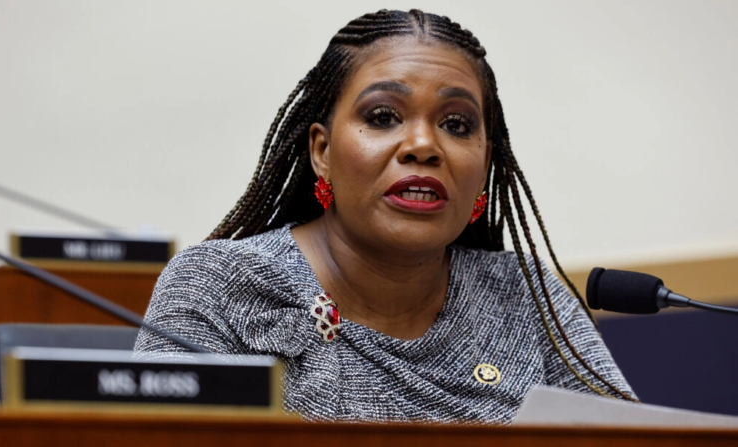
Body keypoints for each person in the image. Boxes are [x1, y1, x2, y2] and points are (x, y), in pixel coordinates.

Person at [135, 9, 635, 424]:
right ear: (322, 151)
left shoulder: (524, 298)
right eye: (382, 117)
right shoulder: (222, 287)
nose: (422, 145)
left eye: (456, 124)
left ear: (483, 166)